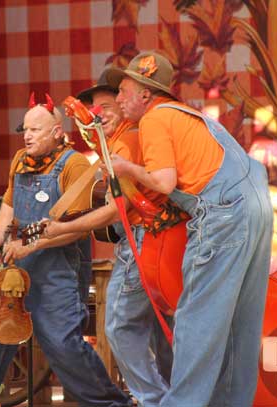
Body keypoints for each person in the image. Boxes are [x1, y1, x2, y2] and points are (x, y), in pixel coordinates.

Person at [100, 51, 273, 407]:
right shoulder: (189, 115)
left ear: (145, 95)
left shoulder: (153, 120)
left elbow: (163, 183)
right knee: (241, 323)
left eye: (123, 91)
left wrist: (125, 167)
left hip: (222, 211)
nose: (117, 99)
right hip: (257, 204)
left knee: (196, 319)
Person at [0, 95, 132, 407]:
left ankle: (111, 404)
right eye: (24, 129)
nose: (26, 136)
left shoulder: (74, 165)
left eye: (35, 130)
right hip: (15, 270)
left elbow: (77, 228)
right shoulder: (20, 161)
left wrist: (30, 244)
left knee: (62, 345)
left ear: (57, 132)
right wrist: (1, 235)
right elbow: (9, 204)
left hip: (58, 271)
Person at [45, 68, 181, 406]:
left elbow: (116, 209)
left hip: (140, 241)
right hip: (159, 241)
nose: (97, 113)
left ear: (125, 103)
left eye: (107, 105)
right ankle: (177, 398)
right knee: (163, 331)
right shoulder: (119, 139)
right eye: (94, 108)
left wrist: (64, 228)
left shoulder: (129, 138)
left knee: (120, 328)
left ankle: (156, 400)